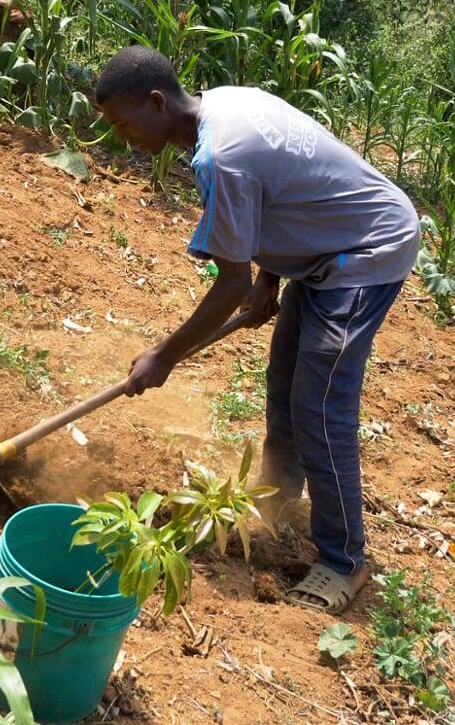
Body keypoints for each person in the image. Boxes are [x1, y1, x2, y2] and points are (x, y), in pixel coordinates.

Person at [93, 46, 419, 614]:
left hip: (366, 250)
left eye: (124, 124)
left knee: (320, 403)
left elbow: (229, 288)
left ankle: (344, 560)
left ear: (156, 102)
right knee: (286, 380)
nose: (124, 138)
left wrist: (164, 355)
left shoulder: (222, 158)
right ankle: (278, 499)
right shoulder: (224, 104)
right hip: (326, 249)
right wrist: (271, 276)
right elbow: (286, 190)